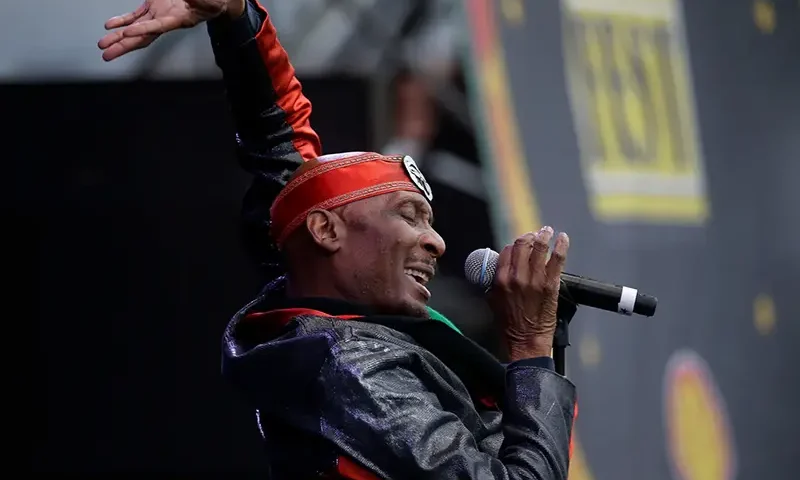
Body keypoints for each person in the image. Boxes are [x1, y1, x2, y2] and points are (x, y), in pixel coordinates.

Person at [99, 1, 577, 478]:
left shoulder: (313, 298)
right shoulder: (355, 368)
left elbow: (278, 137)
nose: (436, 242)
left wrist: (237, 19)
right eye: (410, 217)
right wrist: (530, 347)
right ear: (326, 231)